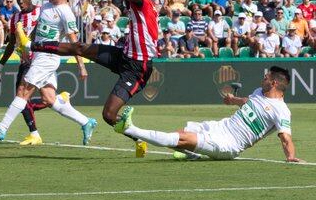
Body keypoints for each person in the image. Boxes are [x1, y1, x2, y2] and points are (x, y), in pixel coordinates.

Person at [18, 0, 158, 157]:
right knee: (80, 47)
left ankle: (138, 138)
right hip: (123, 56)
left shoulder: (143, 2)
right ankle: (32, 46)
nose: (125, 3)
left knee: (108, 115)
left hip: (138, 67)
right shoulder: (145, 4)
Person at [0, 0, 97, 145]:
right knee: (50, 99)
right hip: (39, 56)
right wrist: (27, 44)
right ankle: (86, 122)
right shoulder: (47, 6)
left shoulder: (65, 12)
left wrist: (81, 66)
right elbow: (36, 31)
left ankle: (2, 128)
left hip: (48, 57)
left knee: (23, 90)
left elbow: (74, 43)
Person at [114, 66, 301, 163]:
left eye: (266, 77)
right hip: (220, 126)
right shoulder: (259, 91)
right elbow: (247, 101)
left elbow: (286, 138)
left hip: (229, 143)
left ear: (275, 83)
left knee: (180, 139)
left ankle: (131, 129)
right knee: (181, 132)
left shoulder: (281, 110)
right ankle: (192, 155)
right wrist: (232, 101)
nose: (263, 79)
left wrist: (290, 157)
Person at [0, 0, 69, 146]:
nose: (21, 2)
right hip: (26, 62)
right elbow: (11, 44)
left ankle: (22, 131)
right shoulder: (15, 17)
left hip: (40, 60)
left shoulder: (41, 12)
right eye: (18, 0)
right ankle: (36, 131)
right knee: (42, 99)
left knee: (21, 96)